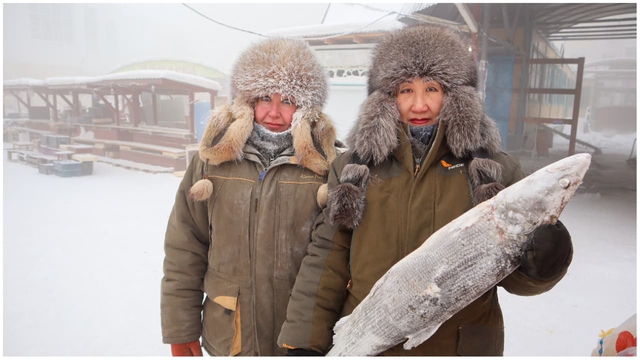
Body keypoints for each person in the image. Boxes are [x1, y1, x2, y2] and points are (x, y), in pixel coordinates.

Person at [278, 24, 574, 356]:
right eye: (406, 90)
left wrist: (544, 261)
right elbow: (326, 259)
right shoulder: (352, 169)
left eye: (431, 88)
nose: (419, 105)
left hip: (457, 347)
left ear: (455, 95)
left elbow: (511, 276)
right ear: (387, 98)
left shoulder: (496, 171)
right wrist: (305, 342)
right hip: (371, 344)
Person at [161, 38, 340, 356]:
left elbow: (335, 261)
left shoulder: (329, 167)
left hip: (300, 340)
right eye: (263, 98)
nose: (273, 112)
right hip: (231, 337)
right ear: (247, 100)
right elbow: (184, 247)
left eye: (287, 100)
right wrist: (181, 328)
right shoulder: (212, 161)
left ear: (305, 106)